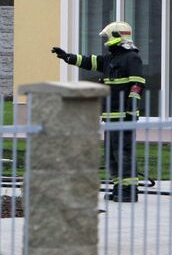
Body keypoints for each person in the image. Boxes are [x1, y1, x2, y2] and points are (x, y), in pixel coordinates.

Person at [52, 21, 145, 203]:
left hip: (124, 116)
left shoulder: (132, 58)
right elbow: (90, 62)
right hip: (110, 115)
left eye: (107, 36)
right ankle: (119, 185)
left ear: (117, 36)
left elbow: (137, 84)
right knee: (112, 153)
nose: (105, 41)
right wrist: (68, 57)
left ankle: (129, 189)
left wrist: (131, 109)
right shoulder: (111, 58)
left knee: (123, 151)